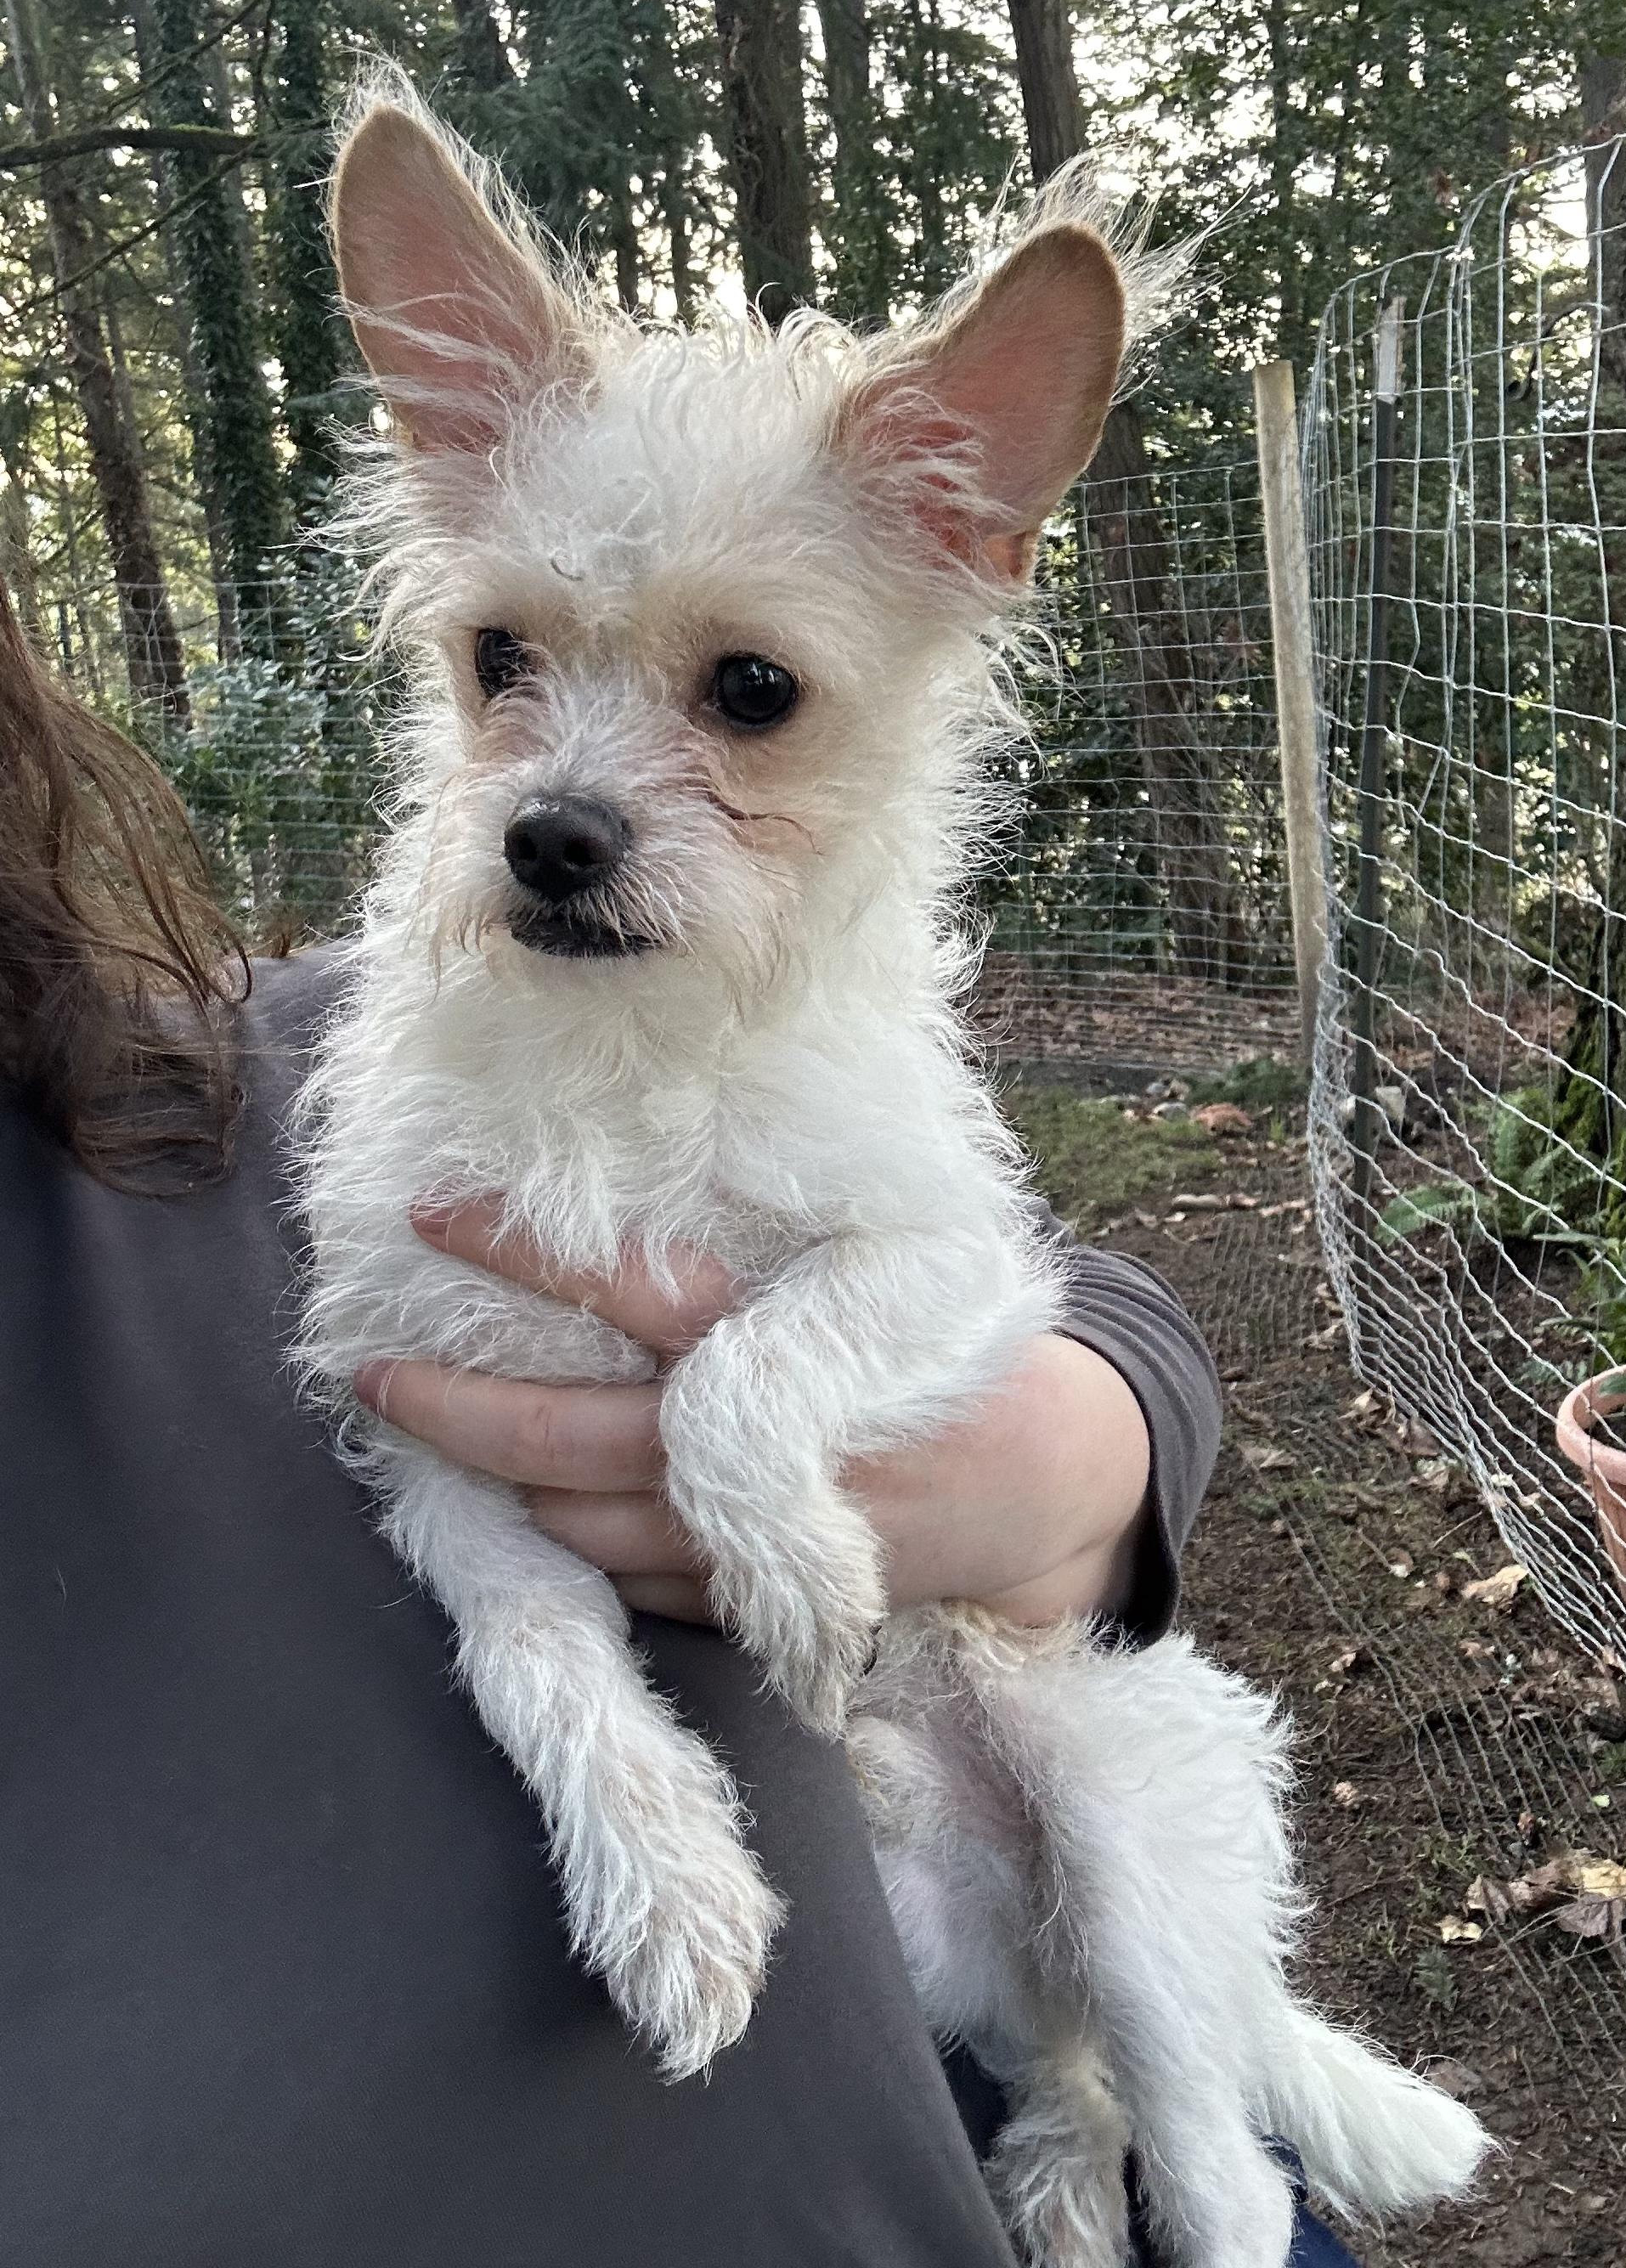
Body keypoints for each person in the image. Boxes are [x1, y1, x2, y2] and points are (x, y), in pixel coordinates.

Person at [0, 579, 1360, 2265]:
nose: (565, 786)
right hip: (879, 2004)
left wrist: (1073, 1458)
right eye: (504, 663)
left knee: (1154, 2069)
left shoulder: (233, 1076)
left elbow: (1063, 1298)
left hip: (971, 1857)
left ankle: (1112, 2123)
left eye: (743, 688)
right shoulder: (399, 1068)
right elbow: (432, 1462)